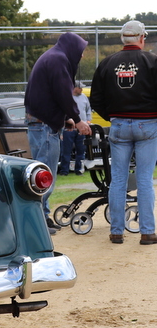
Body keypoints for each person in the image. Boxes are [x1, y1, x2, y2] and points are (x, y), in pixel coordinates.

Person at [90, 20, 157, 245]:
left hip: (118, 125)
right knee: (145, 179)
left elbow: (96, 99)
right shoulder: (152, 61)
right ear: (141, 38)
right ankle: (147, 232)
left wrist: (113, 117)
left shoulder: (107, 63)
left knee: (118, 179)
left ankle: (116, 232)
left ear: (122, 39)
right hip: (147, 124)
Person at [24, 32, 91, 235]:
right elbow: (63, 94)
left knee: (43, 176)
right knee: (42, 178)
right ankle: (37, 222)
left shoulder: (53, 57)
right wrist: (78, 121)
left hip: (42, 125)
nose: (80, 56)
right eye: (80, 52)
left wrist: (65, 120)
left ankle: (43, 217)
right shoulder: (58, 59)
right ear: (72, 48)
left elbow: (50, 95)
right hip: (44, 128)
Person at [58, 81, 92, 175]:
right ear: (75, 88)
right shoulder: (68, 98)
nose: (81, 89)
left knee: (81, 150)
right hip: (69, 128)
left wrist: (88, 121)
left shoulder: (84, 97)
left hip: (81, 129)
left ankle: (79, 169)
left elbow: (88, 109)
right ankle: (64, 171)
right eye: (80, 88)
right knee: (66, 150)